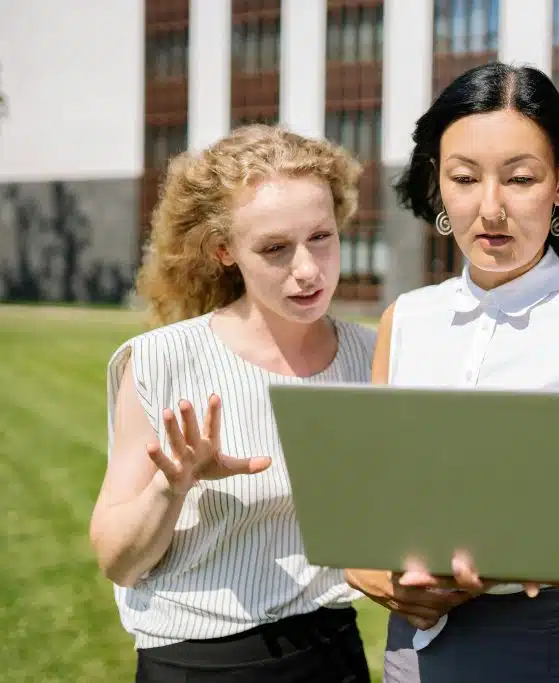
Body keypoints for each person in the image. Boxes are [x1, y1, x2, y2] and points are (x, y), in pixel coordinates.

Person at [342, 61, 559, 683]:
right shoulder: (406, 319)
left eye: (519, 178)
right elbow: (367, 525)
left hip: (546, 648)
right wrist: (379, 577)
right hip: (416, 648)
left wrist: (510, 557)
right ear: (439, 182)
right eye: (465, 178)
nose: (490, 208)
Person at [89, 124, 377, 682]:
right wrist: (171, 486)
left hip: (333, 650)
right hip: (198, 665)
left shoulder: (373, 357)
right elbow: (118, 562)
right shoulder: (160, 362)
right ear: (224, 251)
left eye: (321, 236)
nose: (307, 269)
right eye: (274, 248)